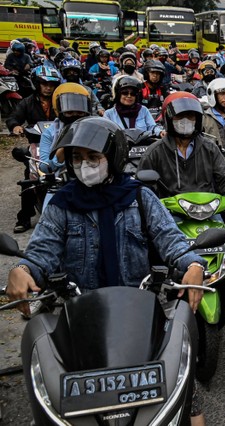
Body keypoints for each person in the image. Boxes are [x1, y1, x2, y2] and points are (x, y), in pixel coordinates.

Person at [5, 116, 208, 424]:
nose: (84, 165)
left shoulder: (140, 197)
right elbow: (41, 250)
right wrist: (23, 270)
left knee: (185, 391)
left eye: (92, 157)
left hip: (140, 311)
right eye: (77, 158)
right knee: (51, 402)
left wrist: (192, 265)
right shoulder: (61, 204)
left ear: (112, 158)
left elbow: (172, 241)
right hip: (80, 316)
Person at [138, 92, 225, 309]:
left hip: (209, 213)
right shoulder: (155, 151)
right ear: (170, 119)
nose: (186, 122)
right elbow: (143, 189)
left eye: (191, 117)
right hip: (172, 216)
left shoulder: (209, 147)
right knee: (160, 263)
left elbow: (223, 180)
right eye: (180, 117)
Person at [6, 65, 61, 233]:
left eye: (51, 84)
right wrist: (15, 126)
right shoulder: (27, 102)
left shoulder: (61, 100)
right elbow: (14, 117)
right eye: (44, 83)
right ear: (37, 83)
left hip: (60, 144)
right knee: (30, 178)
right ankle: (25, 217)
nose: (48, 87)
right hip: (36, 145)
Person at [39, 82, 92, 174]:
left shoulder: (94, 128)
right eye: (69, 112)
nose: (75, 116)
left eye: (79, 113)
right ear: (58, 109)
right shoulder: (49, 133)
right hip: (63, 178)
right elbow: (44, 168)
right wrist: (64, 146)